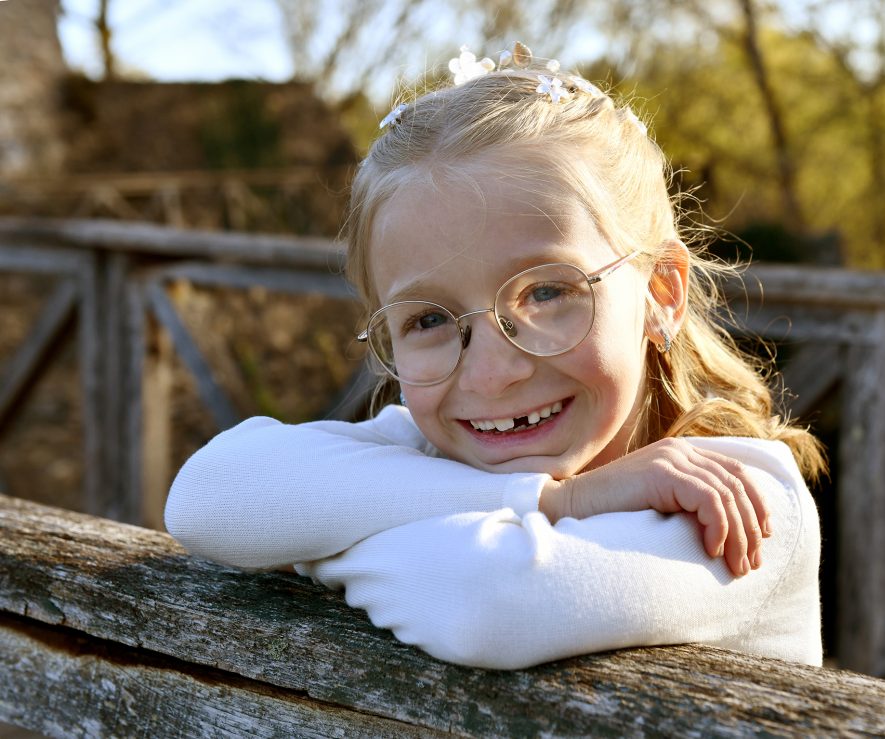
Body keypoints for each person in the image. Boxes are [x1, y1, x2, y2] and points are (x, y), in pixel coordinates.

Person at [165, 44, 826, 670]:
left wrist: (319, 536)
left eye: (546, 292)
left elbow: (486, 603)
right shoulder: (438, 452)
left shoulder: (742, 498)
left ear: (661, 292)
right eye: (429, 319)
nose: (493, 372)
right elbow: (206, 495)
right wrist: (555, 501)